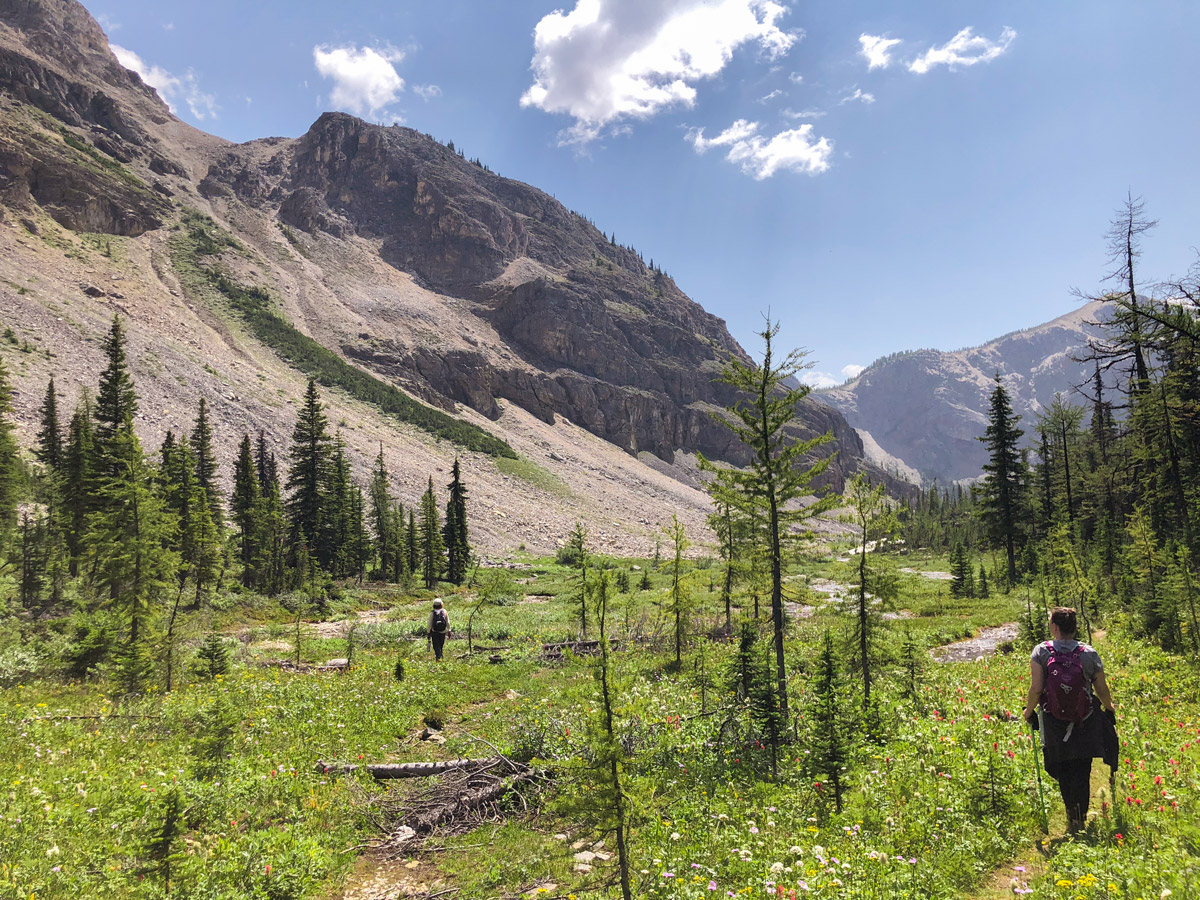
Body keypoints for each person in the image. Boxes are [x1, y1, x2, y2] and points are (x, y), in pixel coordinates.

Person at [1022, 607, 1116, 834]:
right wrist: (1109, 707)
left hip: (1054, 720)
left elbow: (1036, 689)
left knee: (1062, 767)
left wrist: (1028, 711)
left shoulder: (1041, 651)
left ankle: (1070, 814)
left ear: (1054, 627)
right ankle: (1080, 817)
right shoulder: (1089, 653)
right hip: (1084, 718)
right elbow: (1101, 688)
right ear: (1074, 627)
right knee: (1082, 767)